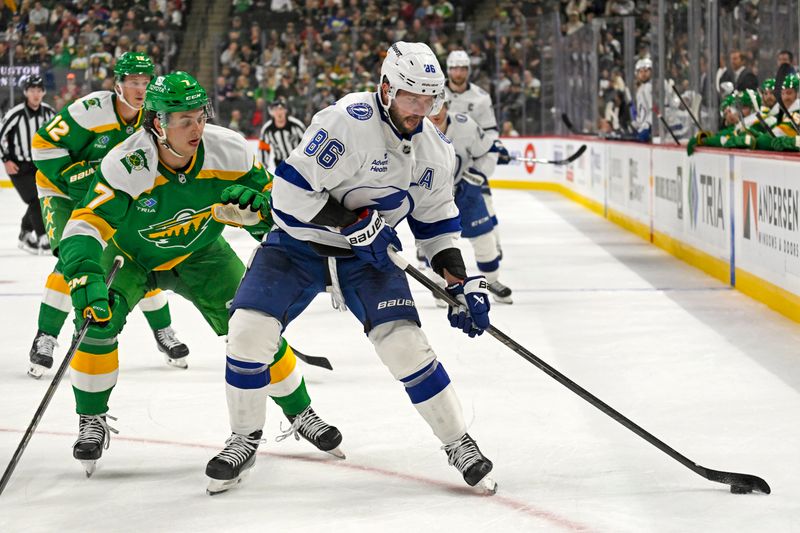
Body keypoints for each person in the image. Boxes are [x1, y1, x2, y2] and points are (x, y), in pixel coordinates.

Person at [210, 41, 497, 495]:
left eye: (429, 99)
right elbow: (286, 195)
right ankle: (243, 438)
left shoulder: (436, 152)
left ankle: (458, 442)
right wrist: (351, 223)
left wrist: (460, 281)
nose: (420, 109)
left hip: (367, 260)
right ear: (385, 88)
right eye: (410, 96)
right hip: (297, 245)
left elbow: (438, 228)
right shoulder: (346, 122)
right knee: (247, 330)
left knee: (406, 346)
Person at [56, 71, 342, 480]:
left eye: (200, 116)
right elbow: (84, 224)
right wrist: (84, 274)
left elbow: (280, 211)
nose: (197, 128)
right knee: (94, 323)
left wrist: (260, 211)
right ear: (157, 122)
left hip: (202, 253)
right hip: (130, 255)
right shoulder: (128, 162)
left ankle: (301, 412)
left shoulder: (230, 150)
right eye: (183, 120)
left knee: (255, 328)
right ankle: (92, 419)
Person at [29, 53, 189, 378]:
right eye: (133, 82)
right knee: (73, 260)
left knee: (138, 255)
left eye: (145, 83)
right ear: (118, 84)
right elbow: (42, 144)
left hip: (110, 191)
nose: (140, 89)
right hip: (61, 192)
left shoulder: (153, 114)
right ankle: (45, 335)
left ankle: (163, 330)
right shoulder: (90, 110)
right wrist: (74, 177)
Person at [428, 100, 512, 303]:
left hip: (467, 192)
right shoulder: (415, 128)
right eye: (431, 106)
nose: (436, 112)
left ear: (448, 105)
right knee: (434, 243)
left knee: (485, 238)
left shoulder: (465, 125)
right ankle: (439, 286)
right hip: (432, 197)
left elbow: (488, 151)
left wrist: (475, 178)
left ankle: (491, 280)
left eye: (441, 106)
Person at [444, 50, 510, 260]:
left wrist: (496, 145)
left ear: (469, 70)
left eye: (463, 68)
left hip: (470, 163)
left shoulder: (481, 98)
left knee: (485, 203)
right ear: (448, 69)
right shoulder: (436, 93)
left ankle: (494, 246)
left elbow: (489, 129)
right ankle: (425, 248)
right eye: (455, 68)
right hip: (440, 161)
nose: (459, 72)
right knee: (432, 208)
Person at [0, 74, 55, 254]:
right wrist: (6, 159)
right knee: (35, 199)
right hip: (18, 166)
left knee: (39, 199)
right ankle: (43, 238)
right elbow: (1, 137)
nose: (36, 94)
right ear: (26, 92)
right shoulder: (15, 114)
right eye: (32, 90)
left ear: (43, 92)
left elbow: (60, 136)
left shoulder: (49, 113)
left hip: (40, 165)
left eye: (39, 90)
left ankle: (25, 234)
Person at [257, 97, 306, 171]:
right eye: (275, 110)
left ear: (285, 111)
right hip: (280, 164)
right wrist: (263, 169)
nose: (279, 112)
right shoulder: (267, 129)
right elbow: (263, 149)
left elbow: (307, 142)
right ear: (271, 112)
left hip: (298, 163)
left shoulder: (296, 125)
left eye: (281, 109)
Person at [631, 57, 653, 142]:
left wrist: (648, 124)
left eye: (646, 71)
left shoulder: (650, 87)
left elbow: (654, 110)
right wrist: (638, 122)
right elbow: (644, 111)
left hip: (650, 129)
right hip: (644, 127)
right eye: (640, 71)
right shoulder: (640, 89)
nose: (643, 74)